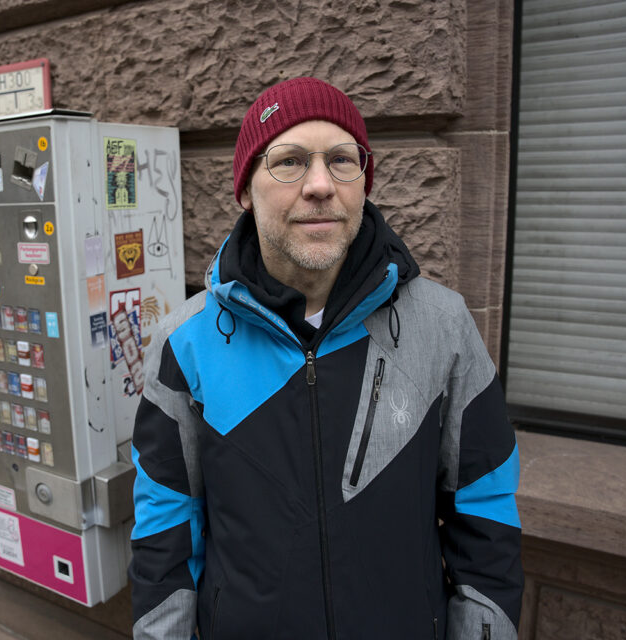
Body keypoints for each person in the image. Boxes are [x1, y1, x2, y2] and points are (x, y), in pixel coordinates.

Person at [128, 77, 523, 639]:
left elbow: (486, 513)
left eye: (341, 160)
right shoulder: (184, 344)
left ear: (363, 183)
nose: (320, 185)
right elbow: (163, 532)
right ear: (245, 191)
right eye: (289, 161)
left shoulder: (443, 325)